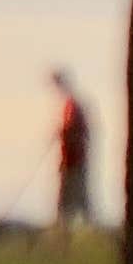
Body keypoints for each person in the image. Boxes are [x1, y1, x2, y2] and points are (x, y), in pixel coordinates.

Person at [48, 68, 98, 241]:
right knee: (72, 205)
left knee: (72, 205)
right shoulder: (71, 105)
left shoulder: (74, 106)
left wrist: (63, 133)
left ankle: (62, 241)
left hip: (74, 162)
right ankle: (62, 241)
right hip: (71, 161)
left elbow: (78, 133)